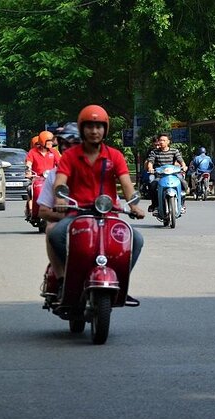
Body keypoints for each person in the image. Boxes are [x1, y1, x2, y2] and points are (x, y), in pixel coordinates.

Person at [48, 105, 145, 298]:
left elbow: (126, 182)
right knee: (56, 234)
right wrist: (59, 197)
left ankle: (120, 281)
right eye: (90, 126)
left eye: (99, 126)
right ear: (82, 128)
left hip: (108, 214)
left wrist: (133, 205)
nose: (94, 131)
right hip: (77, 213)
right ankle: (70, 277)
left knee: (137, 239)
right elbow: (60, 181)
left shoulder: (115, 155)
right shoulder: (70, 156)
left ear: (105, 129)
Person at [37, 122, 81, 279]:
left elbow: (113, 201)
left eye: (74, 144)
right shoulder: (55, 173)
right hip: (67, 221)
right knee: (51, 230)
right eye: (64, 144)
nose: (67, 148)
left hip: (95, 221)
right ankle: (61, 277)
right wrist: (67, 216)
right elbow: (43, 210)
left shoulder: (98, 168)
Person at [146, 132, 188, 213]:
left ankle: (182, 204)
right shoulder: (154, 152)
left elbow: (181, 160)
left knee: (183, 183)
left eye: (164, 140)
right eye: (160, 140)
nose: (161, 142)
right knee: (152, 184)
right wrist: (150, 168)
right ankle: (154, 205)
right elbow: (150, 162)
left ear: (168, 141)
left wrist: (184, 166)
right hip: (160, 175)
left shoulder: (174, 151)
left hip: (173, 174)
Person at [25, 130, 60, 219]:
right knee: (30, 189)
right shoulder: (33, 152)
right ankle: (31, 210)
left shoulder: (53, 152)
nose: (51, 143)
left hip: (51, 178)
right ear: (42, 141)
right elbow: (29, 163)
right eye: (48, 142)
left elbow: (60, 163)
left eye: (51, 141)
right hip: (37, 178)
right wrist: (28, 171)